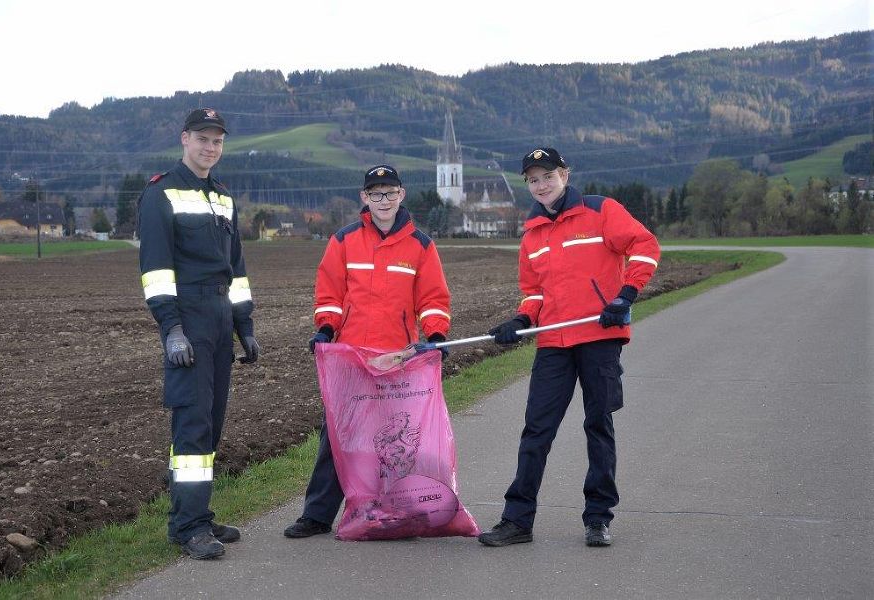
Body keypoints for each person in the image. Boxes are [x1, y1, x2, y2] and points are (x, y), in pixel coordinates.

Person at [478, 147, 660, 548]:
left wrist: (625, 296)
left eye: (547, 176)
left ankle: (598, 518)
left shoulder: (600, 211)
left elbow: (645, 247)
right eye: (532, 180)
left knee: (598, 426)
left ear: (564, 174)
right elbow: (533, 291)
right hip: (554, 342)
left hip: (600, 337)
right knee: (536, 432)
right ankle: (517, 520)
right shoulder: (533, 234)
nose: (541, 185)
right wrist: (522, 321)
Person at [283, 164, 451, 538]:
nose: (383, 200)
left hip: (399, 360)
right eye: (375, 193)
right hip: (352, 357)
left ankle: (400, 511)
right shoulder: (343, 240)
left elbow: (434, 299)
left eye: (390, 192)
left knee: (398, 440)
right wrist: (326, 327)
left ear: (401, 194)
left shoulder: (421, 245)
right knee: (339, 435)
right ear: (364, 198)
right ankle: (317, 515)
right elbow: (329, 292)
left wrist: (436, 335)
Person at [138, 108, 260, 560]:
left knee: (211, 421)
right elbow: (155, 269)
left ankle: (195, 516)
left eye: (218, 141)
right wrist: (171, 329)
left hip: (220, 317)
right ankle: (188, 527)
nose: (211, 148)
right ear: (184, 138)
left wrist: (244, 326)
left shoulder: (223, 197)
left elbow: (237, 268)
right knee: (191, 422)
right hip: (186, 317)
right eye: (203, 139)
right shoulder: (160, 193)